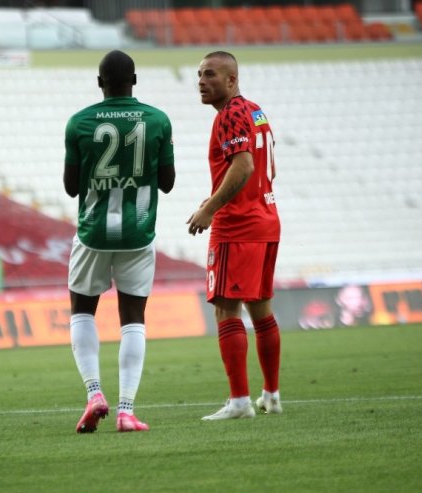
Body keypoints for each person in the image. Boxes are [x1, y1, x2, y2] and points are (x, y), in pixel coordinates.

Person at [64, 50, 175, 433]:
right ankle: (126, 411)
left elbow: (69, 186)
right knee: (133, 320)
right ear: (135, 80)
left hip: (94, 232)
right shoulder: (158, 120)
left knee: (82, 312)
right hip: (138, 232)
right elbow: (167, 182)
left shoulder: (80, 122)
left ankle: (95, 393)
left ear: (99, 83)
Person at [186, 51, 282, 420]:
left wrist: (211, 209)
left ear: (231, 80)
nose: (201, 81)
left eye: (209, 74)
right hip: (266, 219)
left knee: (227, 309)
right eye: (198, 75)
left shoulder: (230, 115)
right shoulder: (255, 110)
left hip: (238, 226)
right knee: (262, 311)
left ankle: (240, 401)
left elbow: (243, 164)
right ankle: (270, 394)